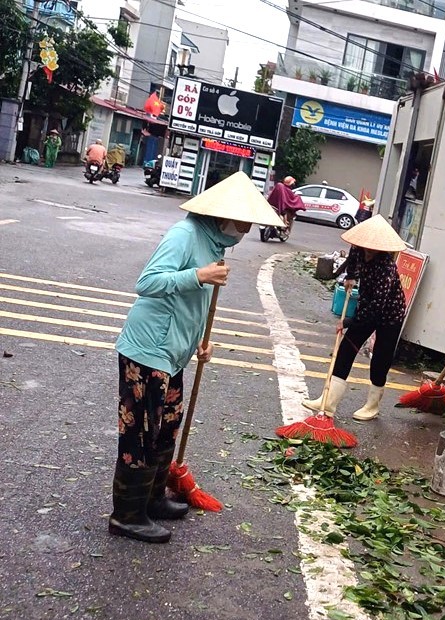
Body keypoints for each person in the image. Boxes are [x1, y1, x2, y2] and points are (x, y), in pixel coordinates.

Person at [110, 172, 286, 544]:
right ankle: (126, 515)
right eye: (244, 221)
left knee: (166, 430)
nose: (247, 229)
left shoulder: (215, 245)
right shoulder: (185, 235)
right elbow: (147, 283)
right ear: (223, 215)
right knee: (140, 435)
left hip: (173, 356)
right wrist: (197, 275)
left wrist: (197, 346)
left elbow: (193, 307)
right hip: (147, 352)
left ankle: (153, 498)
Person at [304, 215, 407, 422]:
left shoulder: (386, 268)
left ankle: (372, 405)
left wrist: (348, 322)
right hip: (367, 305)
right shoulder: (359, 249)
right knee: (345, 349)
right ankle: (328, 400)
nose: (368, 250)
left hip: (389, 314)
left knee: (380, 358)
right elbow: (353, 258)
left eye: (373, 248)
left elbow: (376, 307)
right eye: (365, 246)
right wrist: (350, 276)